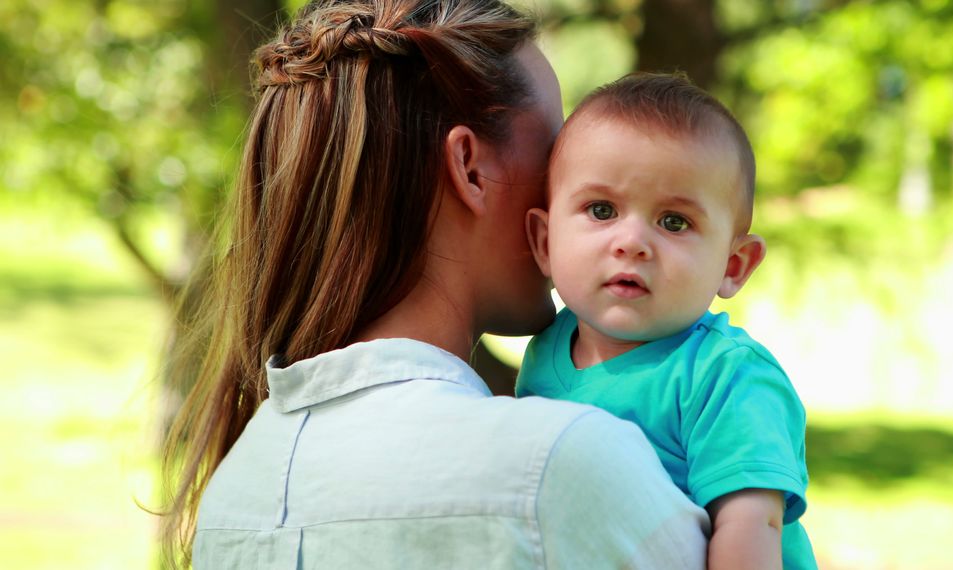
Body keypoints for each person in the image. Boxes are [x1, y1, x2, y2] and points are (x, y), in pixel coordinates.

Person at [159, 1, 710, 568]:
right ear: (469, 169)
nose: (565, 199)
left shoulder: (236, 489)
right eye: (554, 157)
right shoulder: (558, 466)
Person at [516, 73, 817, 569]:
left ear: (732, 265)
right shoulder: (547, 351)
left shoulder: (726, 376)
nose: (632, 241)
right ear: (545, 241)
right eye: (601, 209)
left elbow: (751, 524)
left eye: (674, 221)